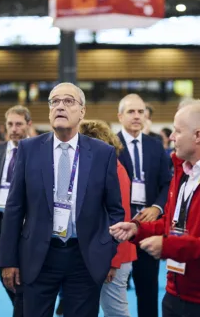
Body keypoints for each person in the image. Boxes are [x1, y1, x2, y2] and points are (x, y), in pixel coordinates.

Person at [111, 100, 200, 317]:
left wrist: (168, 246)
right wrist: (138, 229)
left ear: (197, 135)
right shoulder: (182, 170)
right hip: (174, 294)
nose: (172, 137)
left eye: (177, 131)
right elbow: (172, 223)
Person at [0, 82, 124, 317]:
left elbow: (115, 210)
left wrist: (104, 248)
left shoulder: (101, 153)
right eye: (54, 101)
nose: (60, 106)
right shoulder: (29, 149)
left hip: (83, 258)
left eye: (68, 101)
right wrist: (8, 260)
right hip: (39, 255)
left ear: (82, 111)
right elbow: (15, 207)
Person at [116, 93, 172, 317]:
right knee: (115, 289)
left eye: (141, 112)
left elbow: (167, 183)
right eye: (131, 111)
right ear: (120, 116)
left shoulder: (155, 146)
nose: (137, 116)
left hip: (148, 226)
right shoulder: (110, 145)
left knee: (148, 290)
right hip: (120, 226)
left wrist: (158, 208)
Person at [80, 120, 137, 317]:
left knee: (115, 311)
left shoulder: (113, 169)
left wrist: (113, 261)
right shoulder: (105, 167)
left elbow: (121, 219)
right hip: (106, 252)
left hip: (115, 254)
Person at [0, 105, 32, 309]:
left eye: (19, 124)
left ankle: (24, 309)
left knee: (22, 273)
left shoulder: (36, 149)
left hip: (25, 221)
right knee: (5, 274)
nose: (14, 129)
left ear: (28, 125)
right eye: (10, 124)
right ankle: (23, 307)